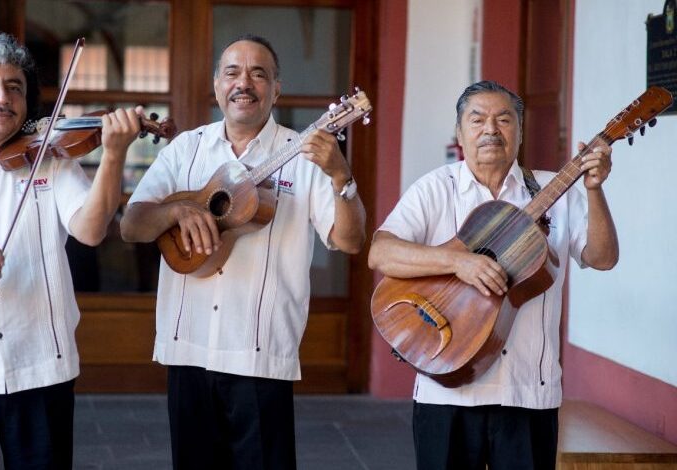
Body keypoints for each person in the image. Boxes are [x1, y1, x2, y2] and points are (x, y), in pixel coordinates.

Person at [120, 34, 366, 469]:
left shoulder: (306, 154)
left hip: (259, 353)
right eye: (232, 72)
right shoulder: (185, 148)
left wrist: (341, 176)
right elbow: (132, 225)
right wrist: (177, 210)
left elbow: (349, 240)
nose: (244, 83)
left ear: (276, 89)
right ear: (217, 85)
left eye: (259, 73)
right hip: (187, 348)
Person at [0, 32, 142, 468]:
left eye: (14, 87)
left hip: (41, 371)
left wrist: (112, 156)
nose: (3, 97)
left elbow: (91, 232)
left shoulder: (53, 163)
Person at [368, 80, 619, 470]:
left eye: (504, 119)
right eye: (478, 119)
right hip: (446, 390)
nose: (490, 129)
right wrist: (458, 262)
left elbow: (602, 258)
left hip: (528, 394)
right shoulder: (435, 188)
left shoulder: (559, 190)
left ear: (519, 132)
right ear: (459, 133)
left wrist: (594, 190)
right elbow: (381, 253)